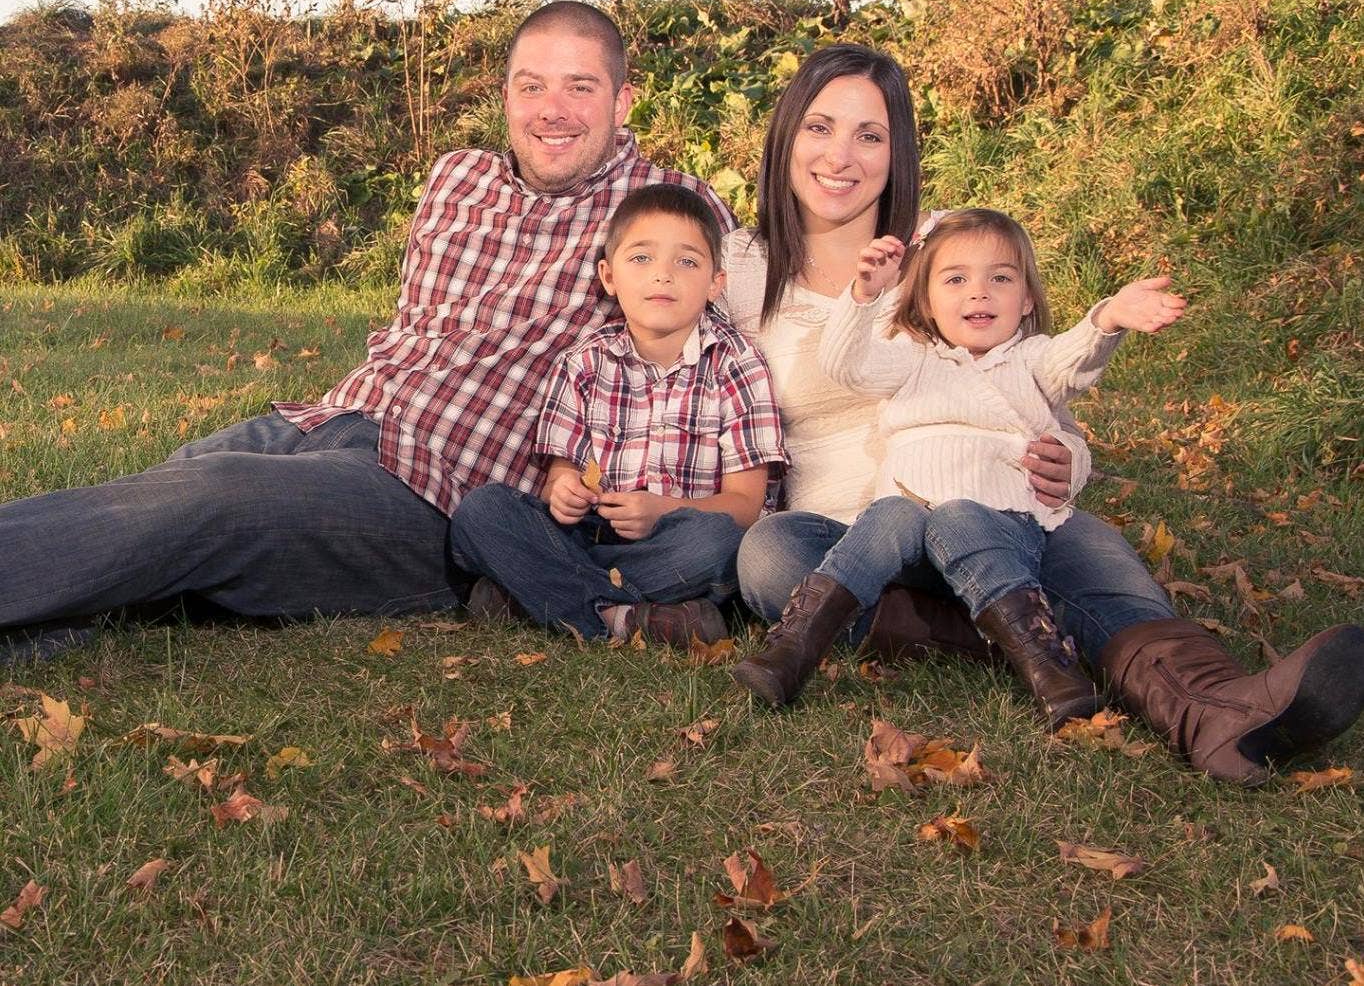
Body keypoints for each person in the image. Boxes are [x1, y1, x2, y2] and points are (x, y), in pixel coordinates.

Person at [0, 1, 736, 664]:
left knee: (213, 499)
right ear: (505, 94)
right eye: (531, 85)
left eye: (581, 87)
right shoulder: (458, 179)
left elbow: (780, 291)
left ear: (622, 101)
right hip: (334, 418)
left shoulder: (665, 214)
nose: (553, 110)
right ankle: (52, 629)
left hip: (437, 495)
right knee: (164, 483)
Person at [725, 42, 1364, 785]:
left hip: (994, 503)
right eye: (820, 127)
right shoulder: (739, 265)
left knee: (1086, 547)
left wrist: (1069, 456)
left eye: (870, 135)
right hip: (858, 538)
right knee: (771, 558)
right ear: (785, 135)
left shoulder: (949, 248)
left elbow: (1030, 383)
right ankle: (1035, 635)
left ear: (897, 151)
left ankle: (1216, 709)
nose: (842, 155)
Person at [737, 207, 1186, 730]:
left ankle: (1045, 665)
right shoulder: (914, 357)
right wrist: (863, 298)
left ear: (1027, 301)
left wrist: (1106, 318)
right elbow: (846, 366)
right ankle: (796, 645)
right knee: (888, 514)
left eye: (1000, 279)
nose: (979, 293)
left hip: (1000, 529)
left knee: (958, 518)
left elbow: (1074, 361)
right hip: (910, 533)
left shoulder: (1031, 361)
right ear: (925, 300)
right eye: (956, 280)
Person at [446, 184, 786, 645]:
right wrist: (564, 492)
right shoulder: (584, 362)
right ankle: (625, 616)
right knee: (483, 511)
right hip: (591, 535)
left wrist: (662, 510)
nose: (663, 276)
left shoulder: (738, 364)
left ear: (715, 283)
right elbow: (560, 476)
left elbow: (745, 506)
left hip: (678, 537)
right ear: (609, 276)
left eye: (687, 261)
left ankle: (534, 593)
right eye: (642, 259)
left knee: (720, 545)